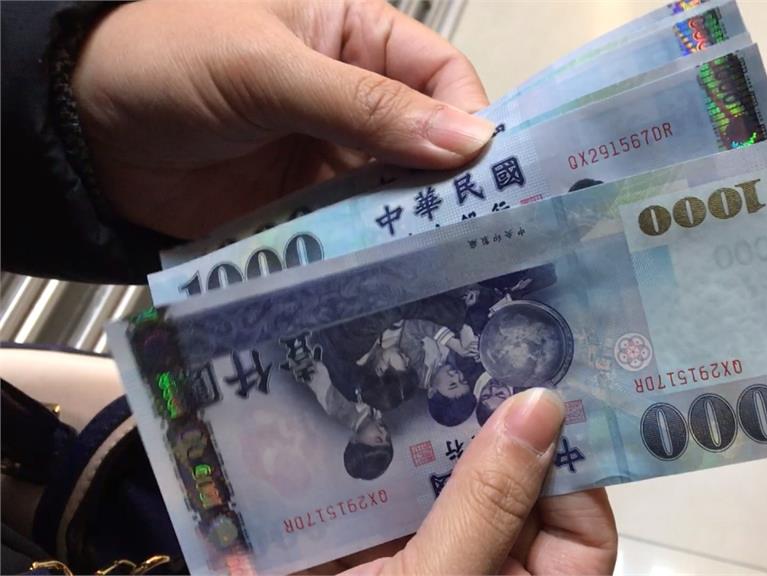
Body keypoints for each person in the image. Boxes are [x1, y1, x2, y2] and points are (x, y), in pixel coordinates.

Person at [2, 1, 617, 574]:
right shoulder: (400, 385)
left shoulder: (354, 385)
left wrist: (69, 101)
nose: (380, 430)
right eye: (384, 440)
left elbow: (345, 346)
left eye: (371, 439)